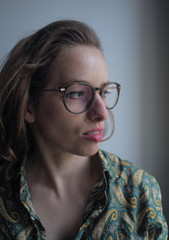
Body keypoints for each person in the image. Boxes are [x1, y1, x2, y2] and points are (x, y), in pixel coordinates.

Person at [0, 20, 168, 240]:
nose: (102, 112)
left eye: (104, 92)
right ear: (29, 106)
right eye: (77, 93)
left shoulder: (138, 190)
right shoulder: (4, 196)